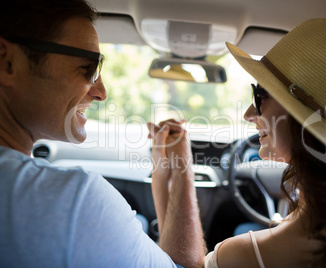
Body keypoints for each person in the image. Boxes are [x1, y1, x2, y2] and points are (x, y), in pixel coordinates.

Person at [152, 18, 326, 267]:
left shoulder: (243, 255)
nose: (249, 113)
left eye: (260, 95)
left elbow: (176, 265)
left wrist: (176, 167)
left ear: (302, 116)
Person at [0, 0, 205, 267]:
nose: (101, 92)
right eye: (88, 68)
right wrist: (182, 165)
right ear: (7, 62)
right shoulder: (74, 200)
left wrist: (162, 165)